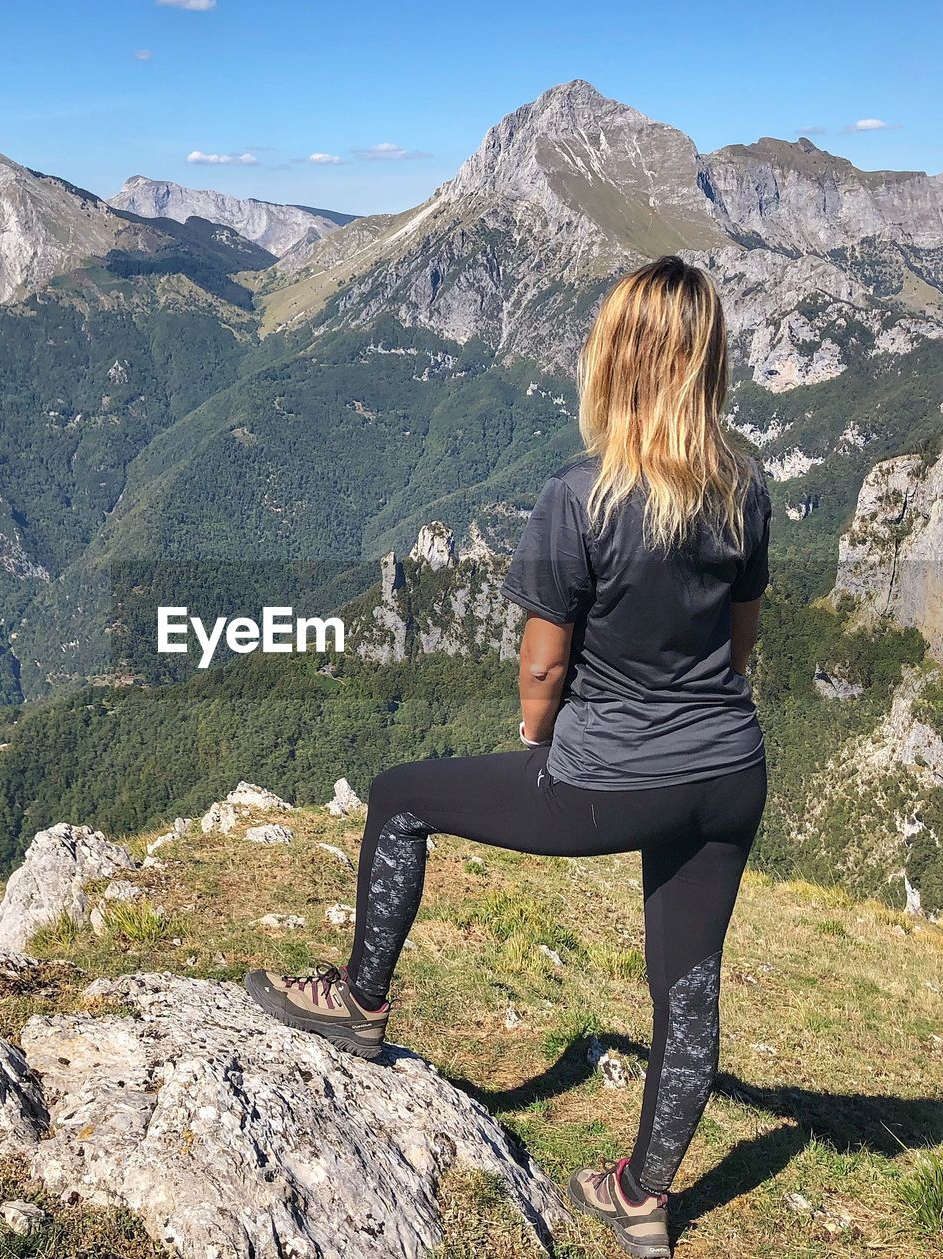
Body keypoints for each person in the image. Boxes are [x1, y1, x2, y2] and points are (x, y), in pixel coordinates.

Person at [244, 254, 772, 1259]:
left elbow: (542, 662)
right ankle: (640, 1195)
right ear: (704, 361)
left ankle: (358, 1001)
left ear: (615, 357)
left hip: (607, 777)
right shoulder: (740, 487)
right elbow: (740, 638)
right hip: (728, 770)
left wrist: (539, 733)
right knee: (689, 986)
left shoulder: (581, 494)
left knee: (400, 797)